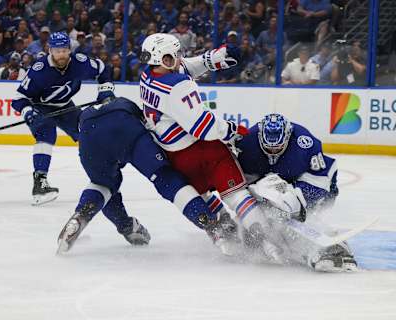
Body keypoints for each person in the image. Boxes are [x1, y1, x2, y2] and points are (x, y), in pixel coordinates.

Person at [138, 33, 282, 257]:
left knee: (205, 194)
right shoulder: (177, 86)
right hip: (204, 149)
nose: (179, 58)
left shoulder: (148, 76)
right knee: (235, 194)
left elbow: (185, 66)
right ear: (163, 58)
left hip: (178, 158)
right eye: (173, 55)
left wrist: (215, 58)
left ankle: (224, 230)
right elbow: (203, 128)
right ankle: (264, 239)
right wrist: (233, 130)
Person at [57, 97, 235, 253]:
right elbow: (152, 130)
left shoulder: (89, 113)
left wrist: (125, 226)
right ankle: (211, 225)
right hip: (125, 127)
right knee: (164, 178)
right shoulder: (125, 104)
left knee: (102, 185)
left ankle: (83, 215)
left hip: (89, 136)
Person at [234, 113, 357, 271]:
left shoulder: (305, 143)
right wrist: (265, 201)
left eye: (277, 147)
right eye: (268, 147)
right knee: (264, 223)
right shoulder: (246, 143)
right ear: (259, 137)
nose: (272, 151)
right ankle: (291, 243)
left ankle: (334, 247)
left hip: (313, 181)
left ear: (287, 137)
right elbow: (243, 183)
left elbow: (320, 180)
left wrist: (295, 202)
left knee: (302, 215)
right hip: (275, 179)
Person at [11, 32, 115, 206]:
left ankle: (104, 175)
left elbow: (103, 69)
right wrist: (28, 112)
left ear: (70, 49)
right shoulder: (39, 70)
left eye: (65, 50)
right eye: (57, 50)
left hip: (65, 106)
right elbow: (18, 99)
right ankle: (40, 183)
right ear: (50, 50)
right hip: (40, 107)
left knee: (88, 133)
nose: (61, 54)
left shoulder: (80, 62)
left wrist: (105, 91)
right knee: (46, 134)